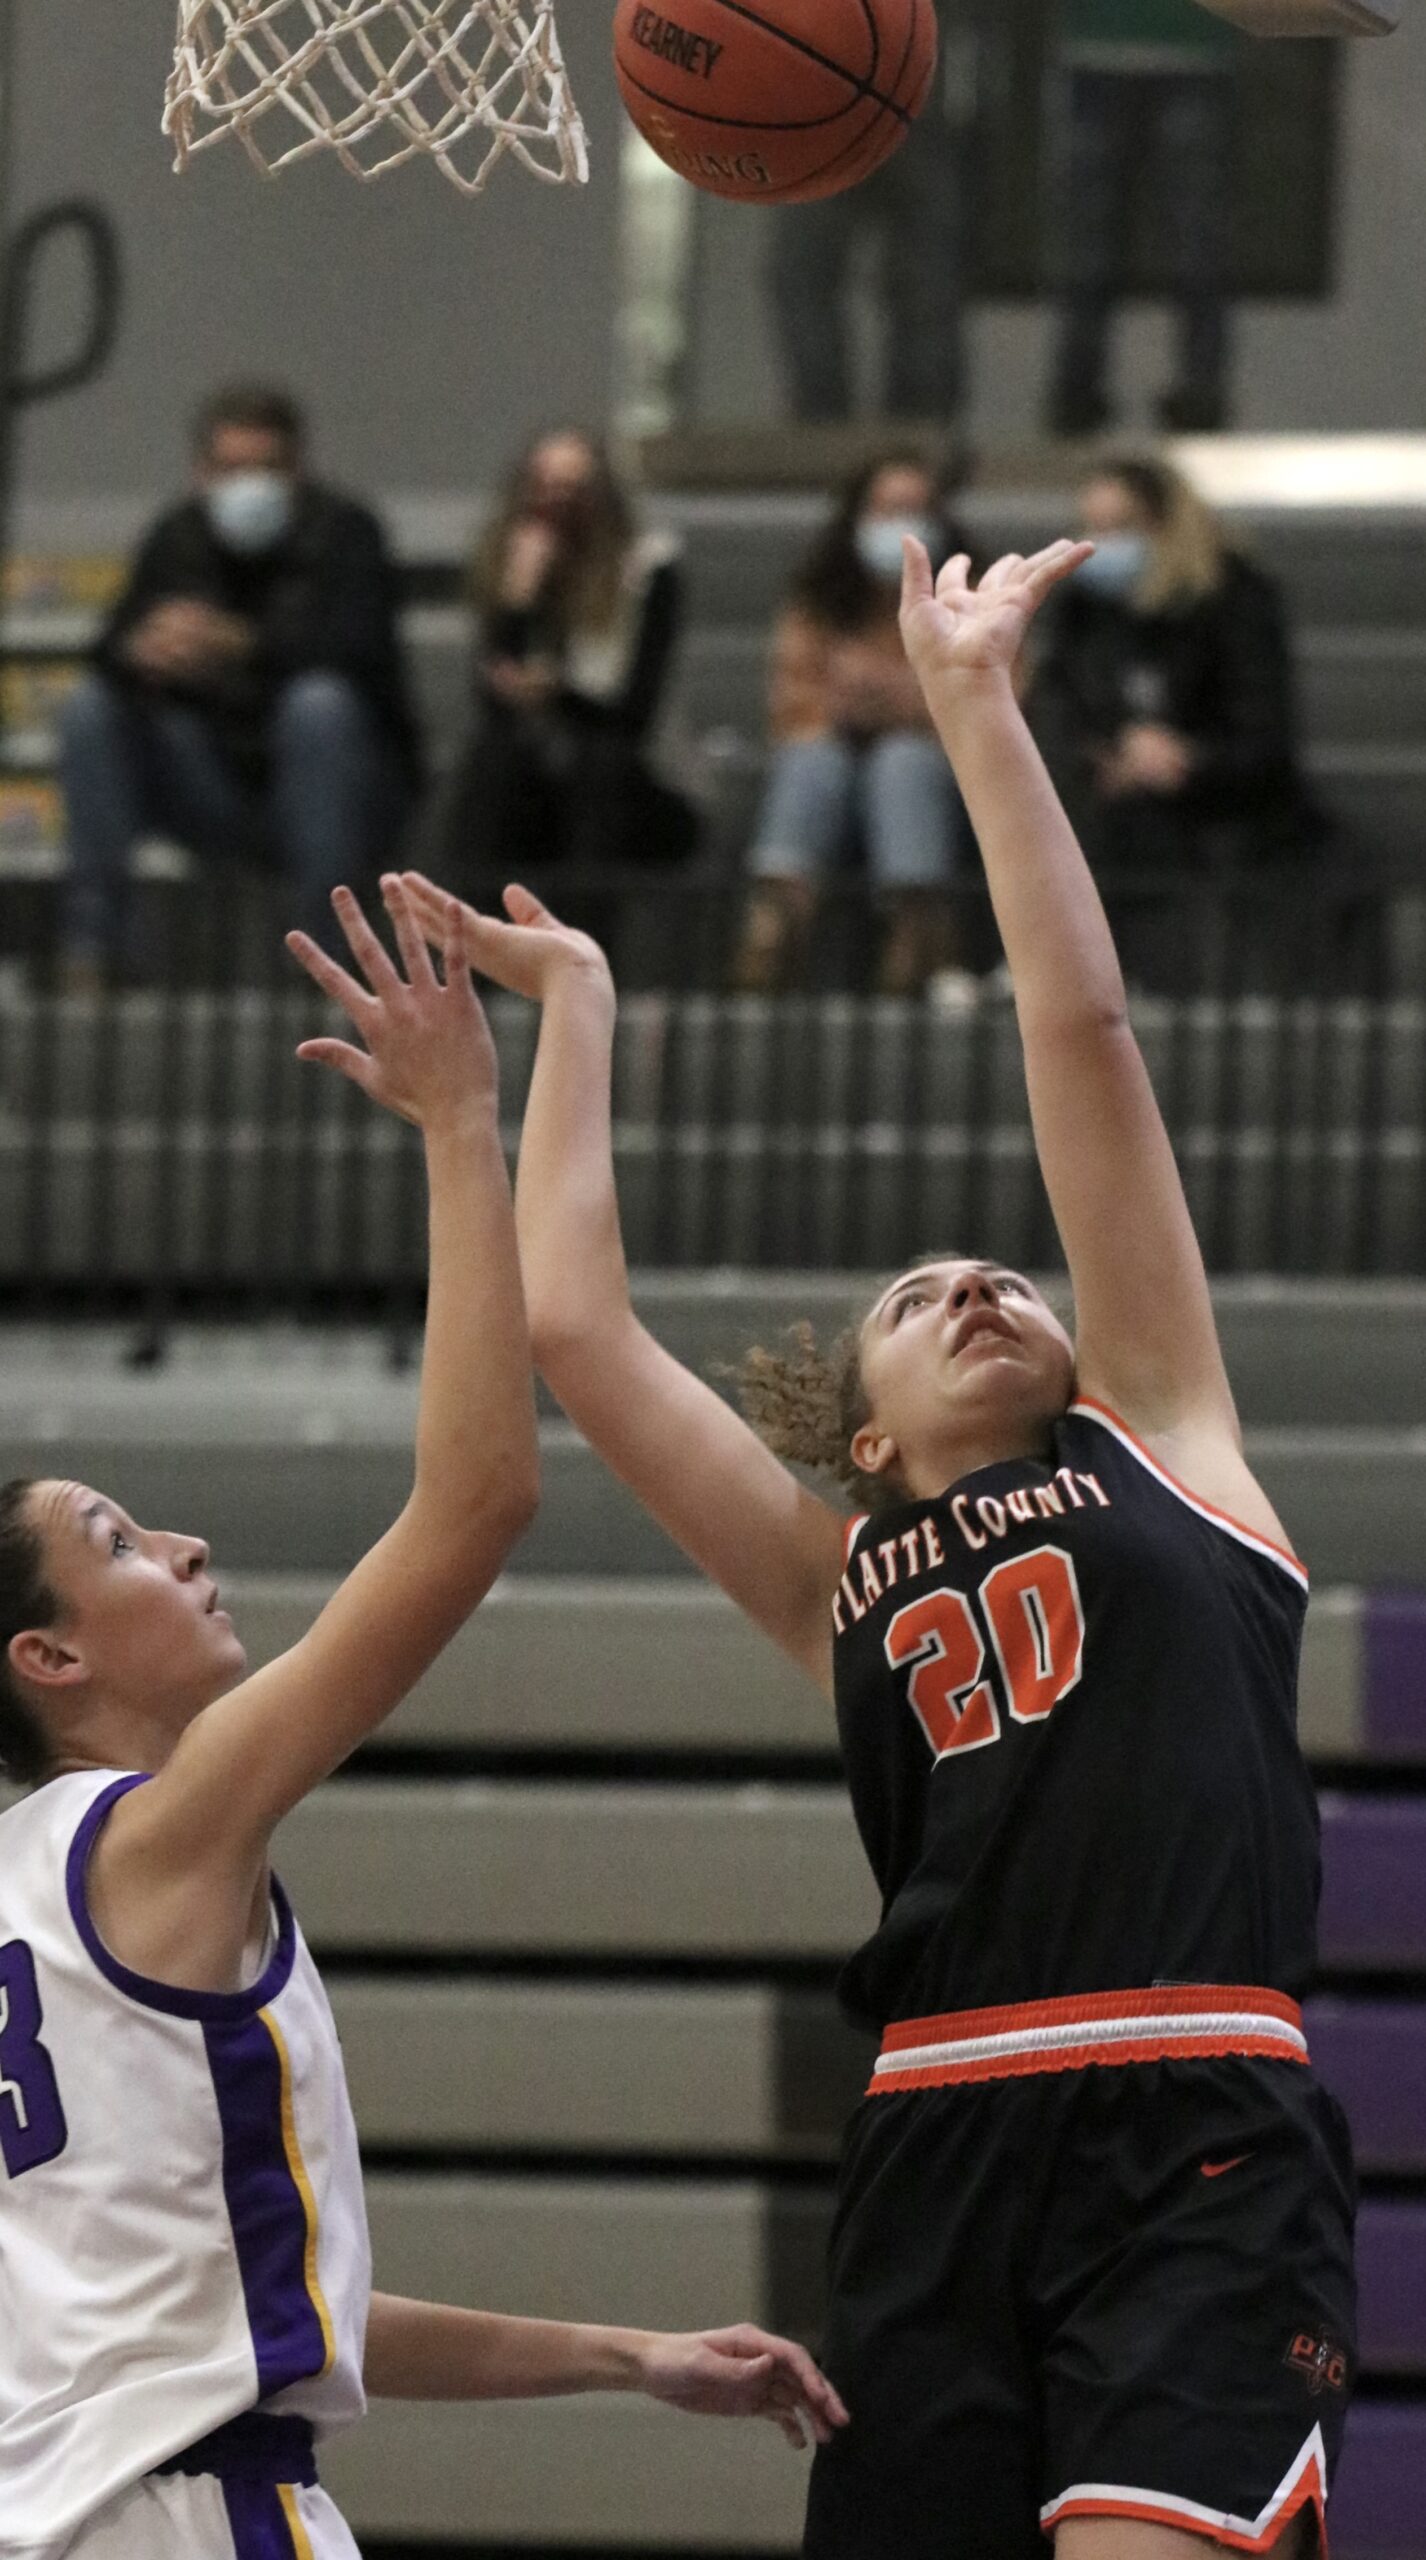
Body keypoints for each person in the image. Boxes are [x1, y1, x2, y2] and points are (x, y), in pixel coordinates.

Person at [401, 521, 1357, 2555]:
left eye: (998, 1274)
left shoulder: (1167, 1437)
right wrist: (578, 1005)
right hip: (935, 2133)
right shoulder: (831, 1572)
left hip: (1188, 2105)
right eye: (919, 1298)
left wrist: (972, 706)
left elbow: (1080, 1036)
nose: (977, 1284)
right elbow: (575, 1328)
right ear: (860, 1436)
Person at [0, 875, 845, 2560]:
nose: (185, 1544)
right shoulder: (157, 1830)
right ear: (50, 1661)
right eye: (121, 1543)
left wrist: (627, 2355)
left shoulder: (31, 1899)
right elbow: (475, 1503)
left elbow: (271, 2315)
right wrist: (463, 1123)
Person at [57, 387, 420, 982]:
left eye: (267, 468)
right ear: (201, 473)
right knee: (91, 709)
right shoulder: (176, 537)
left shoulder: (347, 532)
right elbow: (109, 652)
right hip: (210, 779)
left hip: (335, 784)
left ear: (297, 470)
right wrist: (147, 651)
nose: (249, 485)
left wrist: (242, 644)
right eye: (231, 469)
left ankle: (325, 961)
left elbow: (363, 657)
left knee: (319, 707)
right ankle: (93, 952)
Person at [1027, 453, 1326, 985]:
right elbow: (1058, 704)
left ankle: (1140, 983)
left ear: (1167, 527)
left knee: (1143, 829)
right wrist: (1106, 754)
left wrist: (1187, 758)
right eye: (1094, 528)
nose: (1103, 545)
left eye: (1121, 527)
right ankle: (1060, 976)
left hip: (1218, 800)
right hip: (1105, 790)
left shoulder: (1237, 601)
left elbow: (1265, 739)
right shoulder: (1082, 607)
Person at [738, 452, 972, 997]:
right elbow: (791, 704)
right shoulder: (818, 598)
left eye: (915, 509)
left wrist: (893, 699)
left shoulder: (968, 596)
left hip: (935, 765)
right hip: (832, 756)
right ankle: (773, 930)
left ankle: (916, 939)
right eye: (888, 509)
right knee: (813, 761)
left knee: (902, 764)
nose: (901, 525)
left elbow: (988, 703)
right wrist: (852, 706)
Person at [433, 428, 696, 887]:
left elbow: (634, 714)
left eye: (573, 490)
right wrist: (517, 601)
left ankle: (583, 931)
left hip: (631, 775)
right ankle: (468, 925)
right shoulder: (511, 567)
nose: (557, 506)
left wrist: (559, 692)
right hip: (531, 772)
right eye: (545, 488)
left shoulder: (647, 570)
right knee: (492, 763)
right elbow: (493, 704)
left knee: (600, 769)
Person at [1044, 0, 1240, 437]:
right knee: (1086, 256)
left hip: (1194, 50)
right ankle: (1075, 406)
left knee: (1196, 251)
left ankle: (1200, 403)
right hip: (1098, 49)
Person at [765, 14, 968, 426]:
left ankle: (836, 426)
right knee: (918, 267)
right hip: (899, 45)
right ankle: (915, 427)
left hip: (827, 48)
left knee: (807, 269)